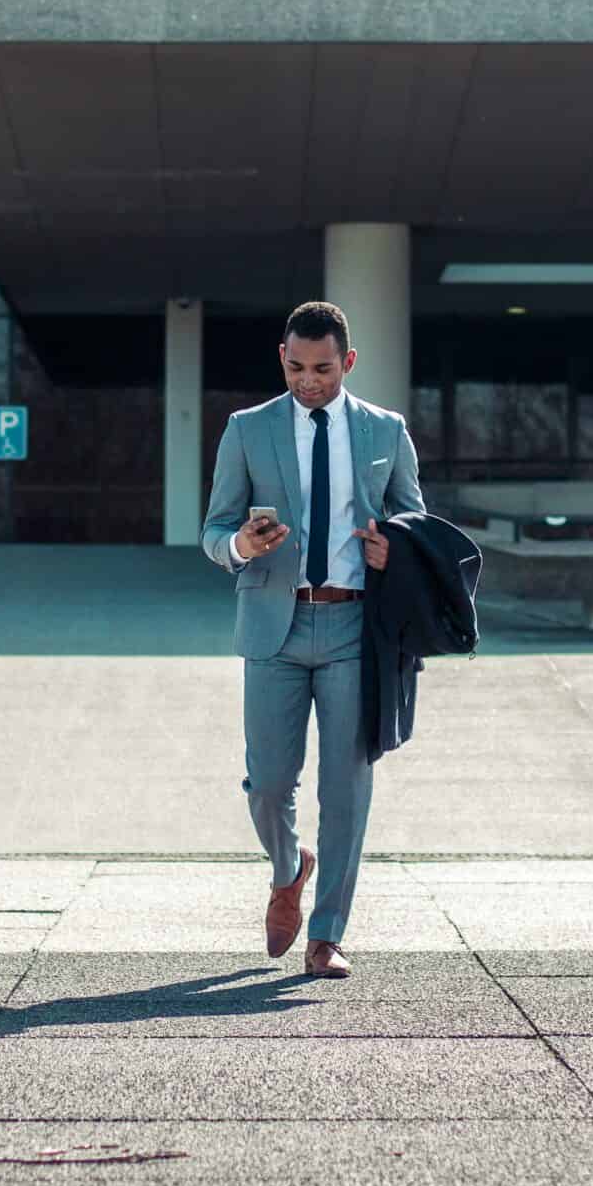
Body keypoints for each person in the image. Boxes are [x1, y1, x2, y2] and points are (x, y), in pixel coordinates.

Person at [201, 301, 425, 979]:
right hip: (275, 622)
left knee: (347, 787)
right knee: (268, 783)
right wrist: (239, 544)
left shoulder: (387, 430)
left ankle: (326, 934)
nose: (309, 381)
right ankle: (288, 865)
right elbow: (213, 531)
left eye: (323, 368)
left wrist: (398, 550)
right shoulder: (247, 430)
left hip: (356, 626)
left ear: (347, 362)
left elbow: (416, 519)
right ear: (282, 358)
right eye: (296, 367)